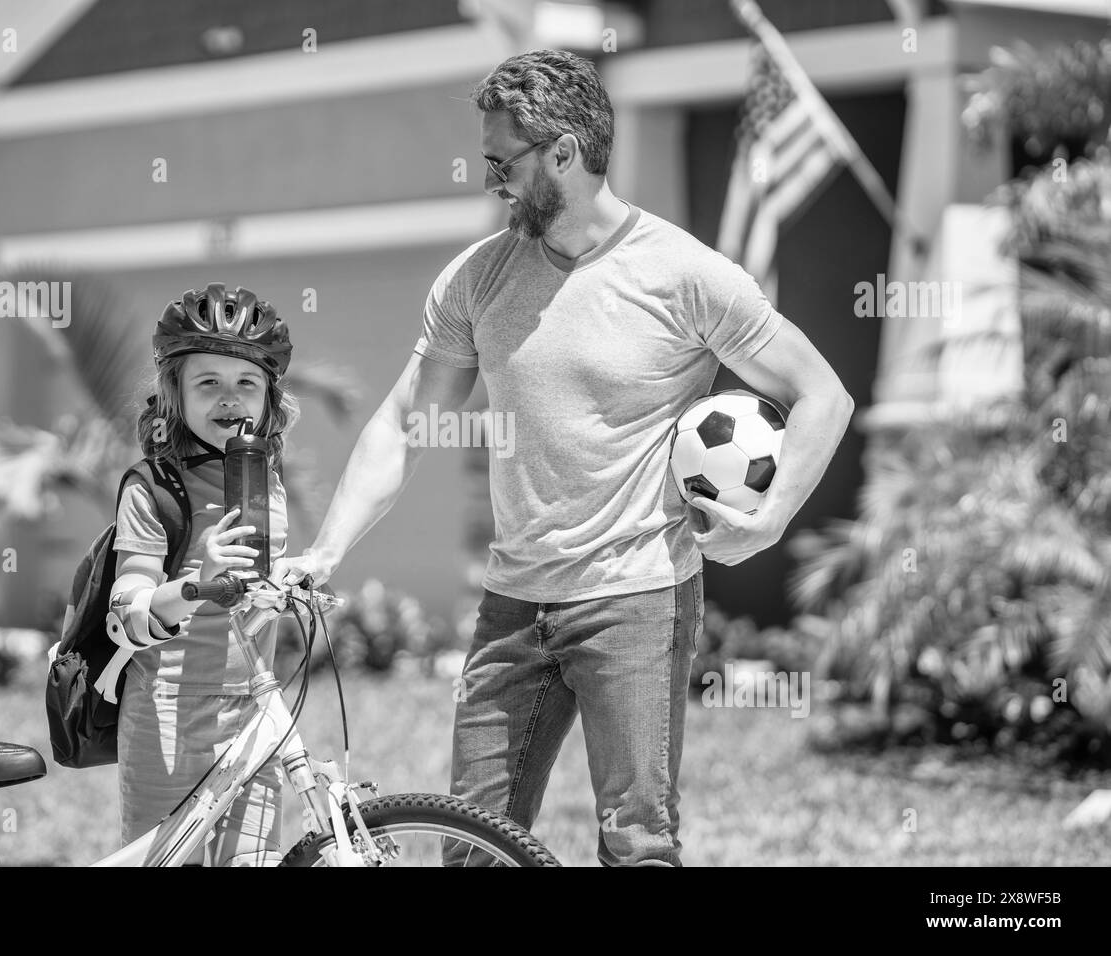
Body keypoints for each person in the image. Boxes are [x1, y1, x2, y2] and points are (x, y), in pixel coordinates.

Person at [273, 50, 854, 866]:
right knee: (468, 845)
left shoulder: (684, 274)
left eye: (500, 163)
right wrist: (329, 547)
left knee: (637, 844)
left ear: (565, 152)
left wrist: (768, 520)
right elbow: (404, 419)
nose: (488, 183)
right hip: (513, 603)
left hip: (638, 598)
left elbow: (823, 394)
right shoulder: (478, 279)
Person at [104, 282, 298, 866]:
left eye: (247, 383)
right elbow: (125, 609)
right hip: (168, 716)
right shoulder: (153, 488)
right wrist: (196, 580)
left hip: (252, 711)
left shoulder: (266, 477)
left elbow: (257, 588)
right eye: (207, 382)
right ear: (174, 395)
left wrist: (286, 584)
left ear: (269, 398)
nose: (229, 398)